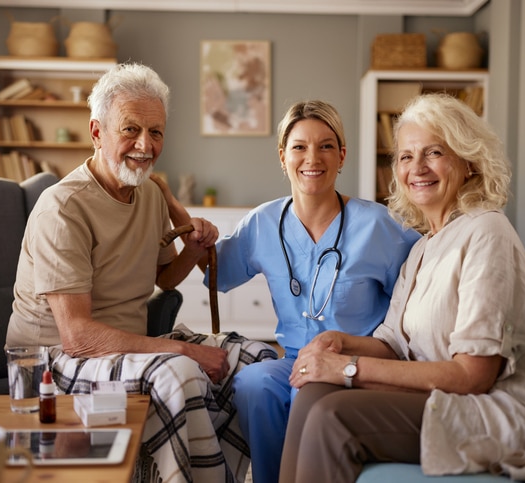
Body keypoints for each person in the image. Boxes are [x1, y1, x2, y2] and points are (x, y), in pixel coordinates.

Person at [278, 93, 525, 483]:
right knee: (316, 392)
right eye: (405, 156)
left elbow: (474, 376)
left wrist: (348, 369)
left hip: (505, 409)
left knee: (332, 417)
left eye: (434, 152)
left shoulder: (487, 232)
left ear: (468, 161)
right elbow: (393, 344)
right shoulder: (424, 246)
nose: (417, 168)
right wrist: (338, 342)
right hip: (449, 397)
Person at [5, 62, 277, 483]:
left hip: (125, 348)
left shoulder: (149, 193)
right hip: (53, 360)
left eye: (156, 132)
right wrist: (181, 350)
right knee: (181, 370)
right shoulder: (64, 208)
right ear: (97, 132)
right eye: (130, 129)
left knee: (255, 358)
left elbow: (164, 279)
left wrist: (194, 247)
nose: (145, 145)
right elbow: (76, 336)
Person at [155, 100, 420, 483]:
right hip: (295, 360)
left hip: (356, 364)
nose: (312, 157)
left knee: (304, 393)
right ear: (283, 156)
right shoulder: (264, 221)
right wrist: (176, 208)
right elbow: (219, 272)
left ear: (342, 155)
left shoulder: (378, 225)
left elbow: (416, 293)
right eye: (299, 146)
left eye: (326, 145)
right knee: (253, 383)